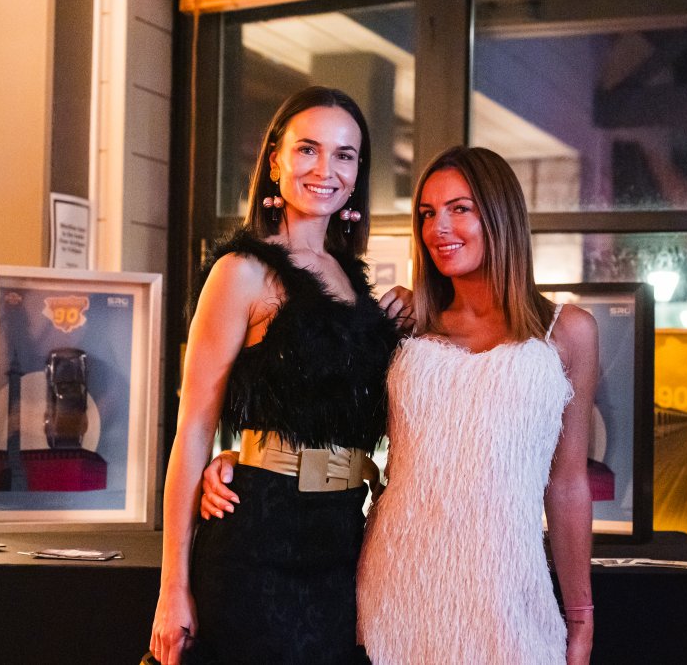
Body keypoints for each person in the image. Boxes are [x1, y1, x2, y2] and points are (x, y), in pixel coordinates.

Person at [203, 146, 598, 664]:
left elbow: (567, 485)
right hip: (396, 584)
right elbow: (327, 413)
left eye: (460, 208)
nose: (439, 228)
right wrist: (250, 460)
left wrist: (581, 615)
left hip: (509, 594)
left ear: (500, 215)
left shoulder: (568, 332)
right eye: (427, 214)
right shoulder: (405, 327)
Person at [149, 86, 407, 665]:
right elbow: (193, 428)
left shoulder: (355, 283)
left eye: (344, 155)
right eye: (307, 149)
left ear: (358, 172)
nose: (325, 169)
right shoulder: (240, 271)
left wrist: (408, 311)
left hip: (342, 542)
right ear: (274, 161)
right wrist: (172, 589)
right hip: (258, 541)